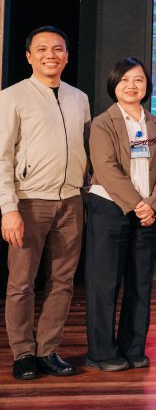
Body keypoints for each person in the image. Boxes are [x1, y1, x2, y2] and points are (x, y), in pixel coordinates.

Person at [0, 26, 89, 380]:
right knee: (21, 282)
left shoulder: (79, 98)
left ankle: (49, 349)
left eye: (58, 49)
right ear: (29, 56)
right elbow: (3, 156)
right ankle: (23, 353)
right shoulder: (12, 97)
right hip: (28, 202)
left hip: (71, 201)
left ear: (67, 56)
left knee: (63, 281)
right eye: (42, 49)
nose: (51, 55)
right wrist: (8, 208)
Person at [85, 58, 156, 371]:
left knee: (140, 282)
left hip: (149, 212)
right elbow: (105, 168)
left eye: (138, 80)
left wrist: (153, 204)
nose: (131, 85)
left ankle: (133, 347)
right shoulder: (102, 123)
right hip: (109, 208)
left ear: (147, 86)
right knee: (105, 282)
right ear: (114, 84)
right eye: (124, 80)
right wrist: (139, 204)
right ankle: (100, 352)